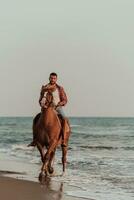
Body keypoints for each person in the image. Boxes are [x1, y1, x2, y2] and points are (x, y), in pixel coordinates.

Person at [39, 72, 68, 146]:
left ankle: (64, 139)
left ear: (56, 79)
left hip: (57, 108)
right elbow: (40, 99)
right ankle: (35, 139)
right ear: (49, 78)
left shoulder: (60, 88)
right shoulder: (44, 87)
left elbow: (65, 100)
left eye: (54, 78)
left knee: (64, 119)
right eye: (51, 78)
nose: (52, 79)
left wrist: (59, 104)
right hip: (46, 108)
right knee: (37, 119)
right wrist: (42, 104)